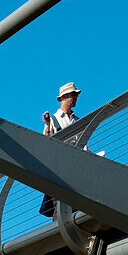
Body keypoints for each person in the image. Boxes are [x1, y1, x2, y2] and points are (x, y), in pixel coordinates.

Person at [39, 81, 82, 216]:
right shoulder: (53, 119)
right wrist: (47, 126)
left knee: (78, 209)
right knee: (61, 210)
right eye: (73, 95)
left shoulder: (78, 120)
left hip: (76, 173)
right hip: (60, 173)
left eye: (76, 95)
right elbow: (44, 143)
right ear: (64, 97)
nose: (76, 98)